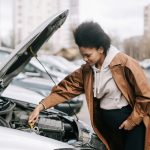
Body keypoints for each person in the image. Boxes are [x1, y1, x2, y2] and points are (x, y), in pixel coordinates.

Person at [28, 21, 150, 150]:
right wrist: (41, 106)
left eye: (88, 55)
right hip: (109, 130)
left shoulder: (125, 63)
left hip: (132, 128)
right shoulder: (87, 70)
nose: (85, 59)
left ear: (101, 49)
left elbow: (145, 95)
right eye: (82, 55)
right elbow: (66, 88)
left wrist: (132, 121)